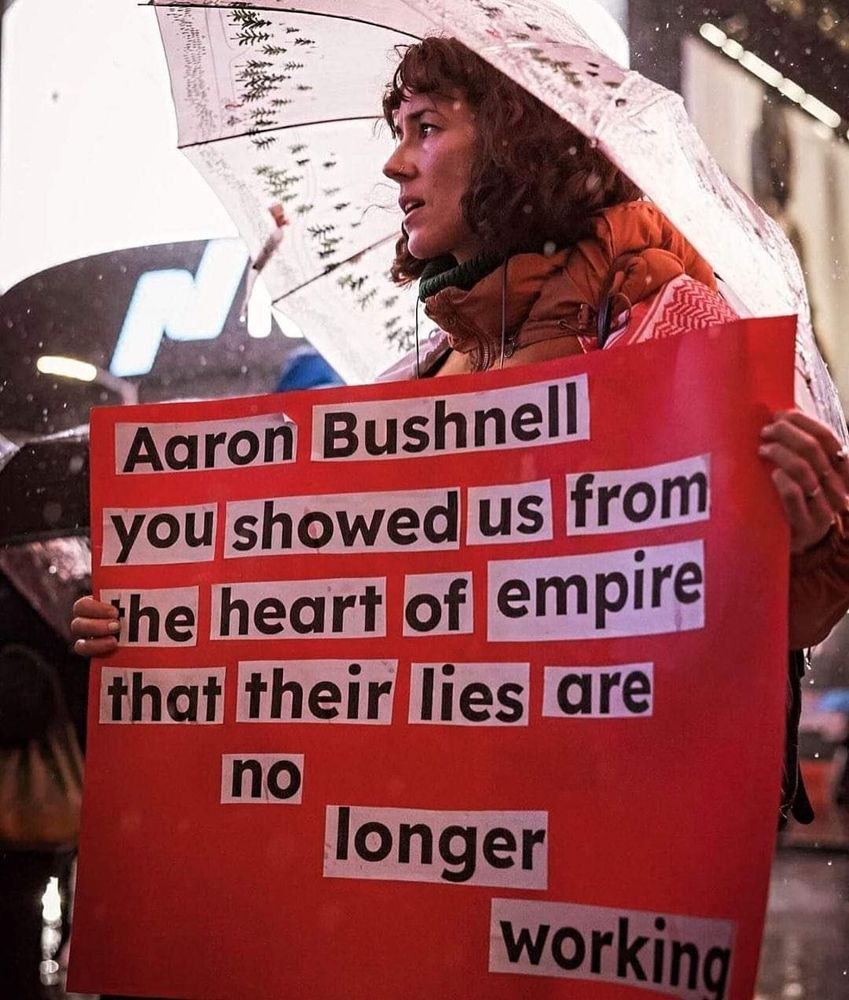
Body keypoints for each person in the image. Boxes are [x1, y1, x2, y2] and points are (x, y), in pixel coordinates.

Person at [72, 37, 849, 819]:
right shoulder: (417, 378)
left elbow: (720, 623)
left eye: (426, 128)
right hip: (431, 834)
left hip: (588, 826)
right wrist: (157, 627)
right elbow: (322, 609)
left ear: (517, 143)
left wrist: (804, 546)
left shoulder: (668, 326)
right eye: (398, 133)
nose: (395, 165)